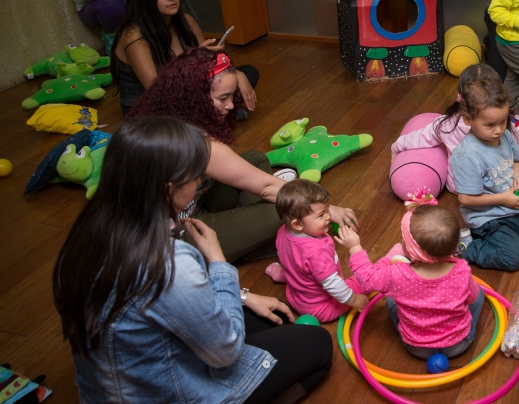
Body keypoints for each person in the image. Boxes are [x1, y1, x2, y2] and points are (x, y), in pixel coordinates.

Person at [53, 116, 333, 403]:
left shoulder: (91, 229)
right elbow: (227, 351)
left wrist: (244, 297)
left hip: (122, 384)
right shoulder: (170, 262)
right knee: (319, 345)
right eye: (195, 176)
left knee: (280, 318)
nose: (200, 181)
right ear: (168, 187)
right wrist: (217, 261)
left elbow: (162, 303)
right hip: (169, 391)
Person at [127, 48, 358, 262]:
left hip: (193, 200)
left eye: (231, 97)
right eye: (222, 98)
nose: (230, 106)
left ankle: (249, 234)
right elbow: (266, 186)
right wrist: (326, 209)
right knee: (284, 212)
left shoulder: (173, 116)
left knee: (256, 159)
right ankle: (253, 241)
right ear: (194, 97)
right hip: (180, 231)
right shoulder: (197, 143)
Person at [337, 204, 485, 359]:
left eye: (404, 240)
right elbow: (473, 299)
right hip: (458, 344)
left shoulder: (397, 275)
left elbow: (367, 278)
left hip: (417, 347)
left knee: (390, 301)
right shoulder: (462, 270)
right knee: (478, 293)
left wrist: (355, 246)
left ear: (413, 254)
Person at [111, 0, 258, 118]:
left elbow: (210, 67)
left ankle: (216, 111)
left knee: (248, 73)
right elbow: (157, 89)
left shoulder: (185, 21)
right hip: (151, 108)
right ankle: (219, 112)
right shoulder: (135, 37)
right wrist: (193, 59)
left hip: (185, 93)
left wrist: (235, 72)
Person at [391, 64, 519, 192]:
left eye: (500, 122)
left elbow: (419, 137)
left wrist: (396, 147)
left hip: (459, 187)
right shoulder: (503, 127)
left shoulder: (445, 124)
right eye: (490, 123)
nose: (497, 129)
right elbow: (518, 148)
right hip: (499, 184)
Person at [449, 69, 519, 271]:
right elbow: (466, 199)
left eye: (503, 121)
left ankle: (508, 236)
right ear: (468, 119)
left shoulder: (502, 136)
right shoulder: (467, 155)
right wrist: (503, 199)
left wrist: (517, 175)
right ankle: (469, 245)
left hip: (511, 205)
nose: (498, 129)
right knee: (514, 259)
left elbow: (516, 159)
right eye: (489, 124)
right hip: (489, 217)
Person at [270, 179, 369, 322]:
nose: (328, 217)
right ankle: (386, 263)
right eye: (321, 215)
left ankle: (280, 274)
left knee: (295, 267)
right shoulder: (317, 251)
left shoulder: (283, 232)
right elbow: (333, 284)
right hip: (321, 307)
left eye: (327, 209)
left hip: (294, 296)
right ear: (297, 224)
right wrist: (354, 300)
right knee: (364, 281)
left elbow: (284, 256)